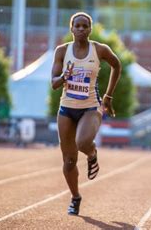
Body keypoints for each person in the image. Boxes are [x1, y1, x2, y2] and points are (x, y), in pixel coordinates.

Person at [51, 12, 121, 215]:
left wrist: (108, 96)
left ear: (90, 29)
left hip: (91, 107)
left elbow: (117, 65)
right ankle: (75, 197)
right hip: (66, 109)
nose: (81, 29)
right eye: (77, 26)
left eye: (85, 26)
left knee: (82, 143)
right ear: (71, 28)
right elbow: (54, 84)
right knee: (69, 161)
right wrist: (65, 75)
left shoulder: (99, 49)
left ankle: (92, 153)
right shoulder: (62, 51)